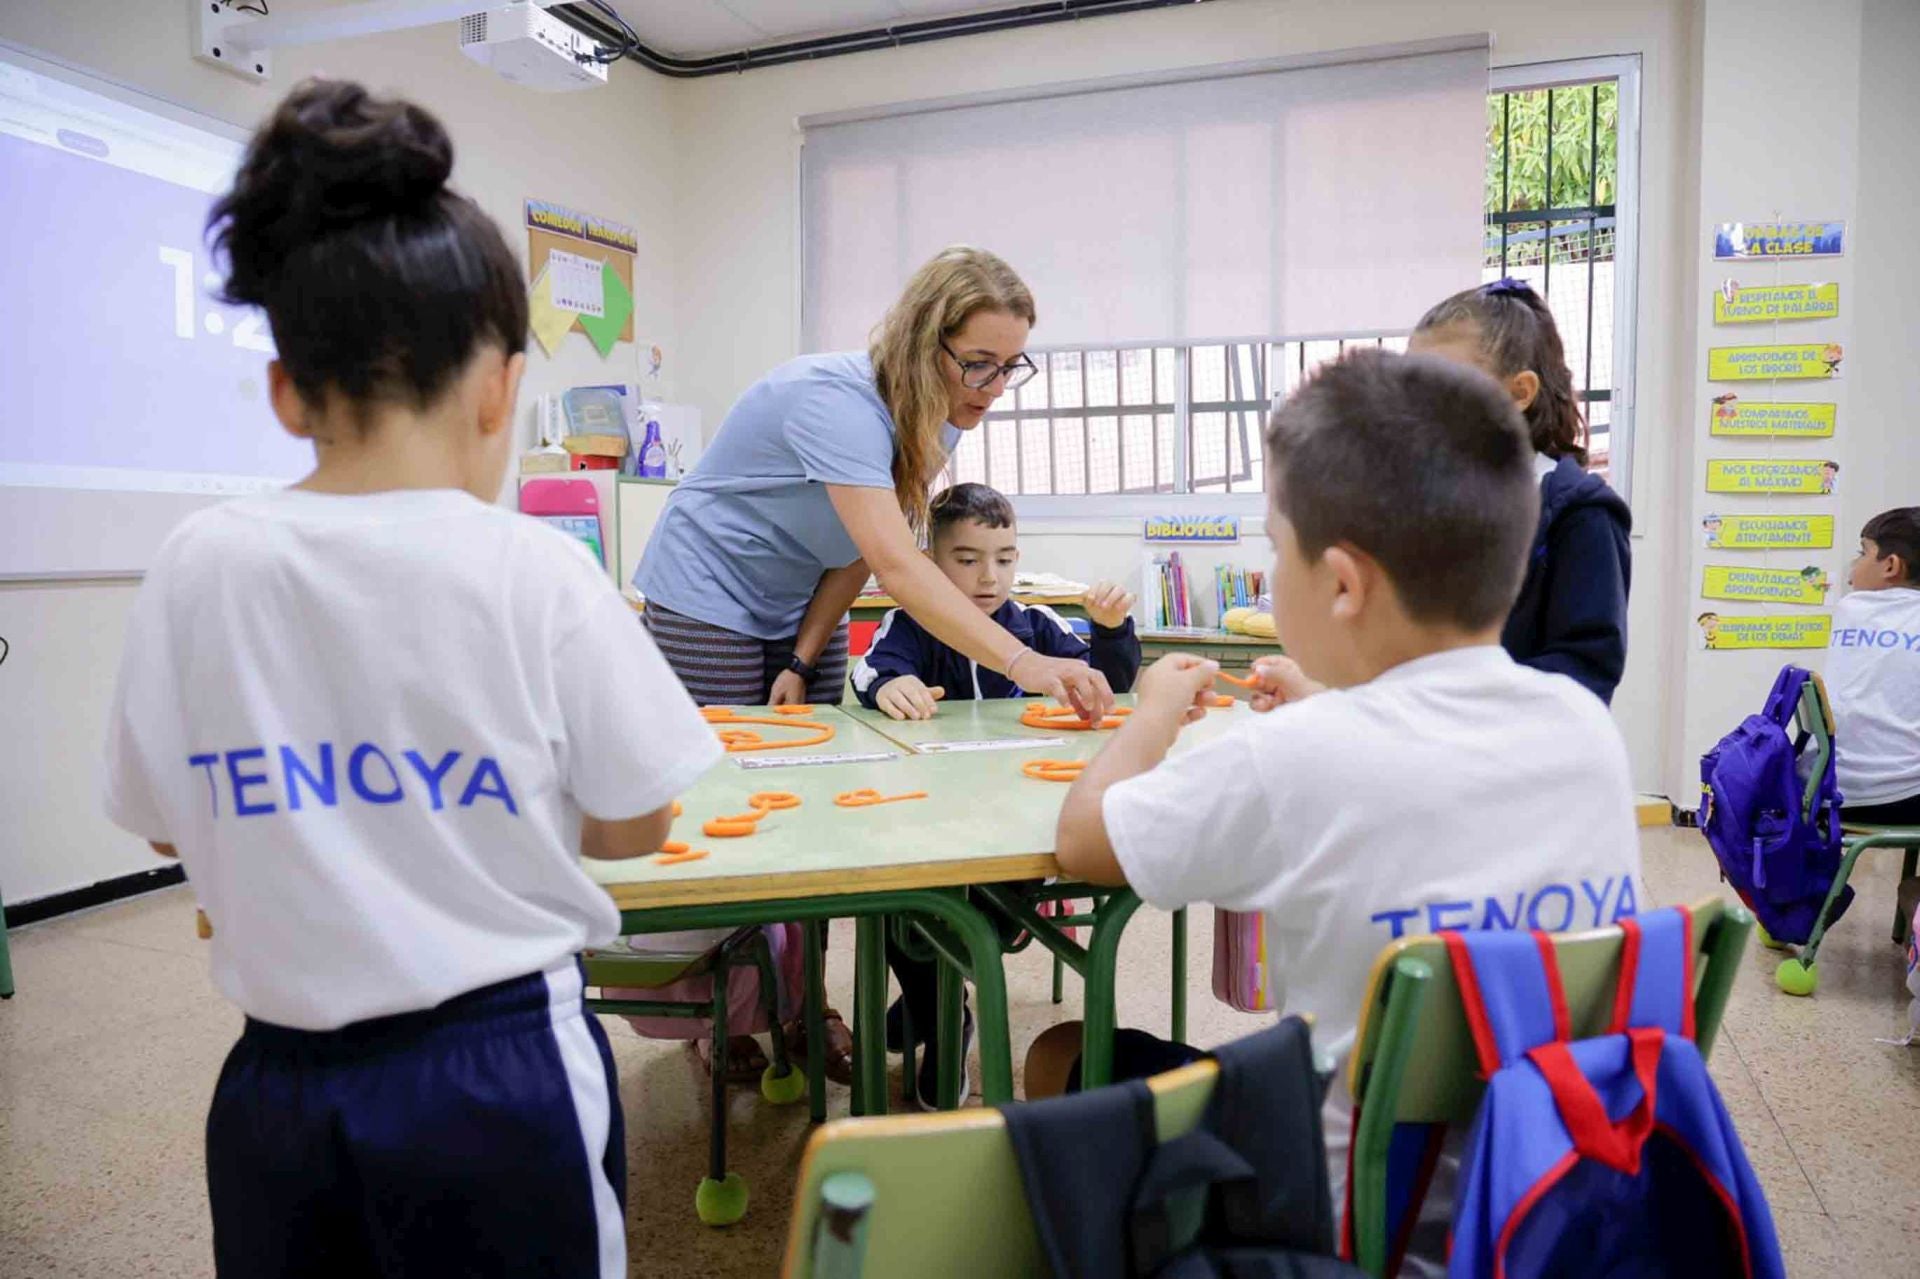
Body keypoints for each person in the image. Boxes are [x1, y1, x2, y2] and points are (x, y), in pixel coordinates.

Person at [100, 80, 718, 1278]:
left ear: (286, 390)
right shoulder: (537, 568)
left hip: (277, 1085)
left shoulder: (197, 562)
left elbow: (167, 823)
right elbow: (640, 822)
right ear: (500, 387)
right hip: (502, 1068)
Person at [1052, 349, 1644, 1265]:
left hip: (1344, 1219)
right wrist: (1333, 701)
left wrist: (1151, 715)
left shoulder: (1295, 756)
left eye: (1273, 545)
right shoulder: (1587, 730)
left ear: (1342, 582)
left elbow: (1084, 840)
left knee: (1063, 1052)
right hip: (1548, 1197)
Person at [634, 246, 1116, 1080]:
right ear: (926, 340)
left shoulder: (939, 414)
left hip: (795, 595)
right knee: (728, 802)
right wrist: (1025, 662)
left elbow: (858, 549)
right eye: (979, 363)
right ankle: (724, 1016)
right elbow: (899, 564)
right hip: (707, 588)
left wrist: (804, 652)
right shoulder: (837, 402)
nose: (994, 387)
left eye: (1011, 367)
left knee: (815, 809)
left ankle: (804, 1007)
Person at [1408, 278, 1632, 704]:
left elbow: (1585, 670)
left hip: (1517, 740)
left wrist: (1452, 696)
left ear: (1520, 392)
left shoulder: (1581, 515)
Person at [852, 481, 1141, 719]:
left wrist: (1111, 631)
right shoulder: (908, 624)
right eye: (968, 561)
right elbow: (870, 670)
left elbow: (1106, 688)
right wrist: (889, 684)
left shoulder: (1038, 623)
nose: (989, 577)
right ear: (930, 562)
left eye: (1004, 561)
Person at [1827, 507, 1920, 826]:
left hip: (1825, 790)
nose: (1853, 568)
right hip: (1901, 798)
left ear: (1891, 565)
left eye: (1862, 553)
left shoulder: (1849, 609)